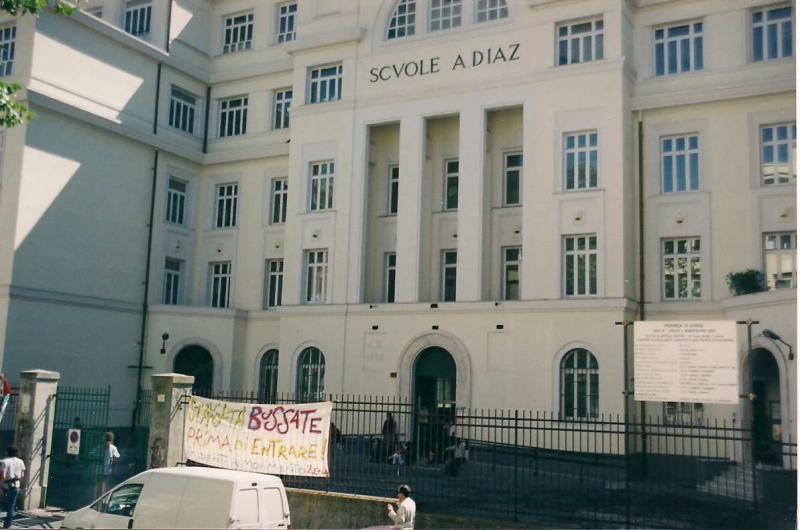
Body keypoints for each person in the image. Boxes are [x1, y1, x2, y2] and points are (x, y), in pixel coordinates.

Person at [0, 446, 25, 529]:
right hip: (16, 486)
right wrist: (18, 485)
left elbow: (2, 476)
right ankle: (7, 525)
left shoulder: (4, 461)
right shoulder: (21, 461)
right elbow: (22, 475)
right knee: (11, 507)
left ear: (7, 452)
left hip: (5, 487)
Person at [97, 431, 120, 497]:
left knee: (97, 486)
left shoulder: (99, 447)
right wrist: (113, 466)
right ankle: (102, 500)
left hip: (99, 469)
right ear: (112, 439)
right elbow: (116, 459)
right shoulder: (113, 448)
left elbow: (92, 454)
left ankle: (95, 500)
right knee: (104, 486)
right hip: (107, 470)